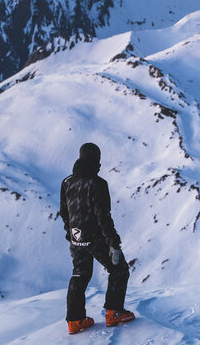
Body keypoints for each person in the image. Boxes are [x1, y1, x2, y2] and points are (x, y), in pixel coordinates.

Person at [60, 142, 135, 334]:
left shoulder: (67, 182)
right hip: (95, 236)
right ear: (96, 159)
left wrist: (71, 234)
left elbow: (64, 212)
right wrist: (113, 244)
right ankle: (114, 312)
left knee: (79, 274)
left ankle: (75, 320)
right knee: (119, 269)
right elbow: (103, 216)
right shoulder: (98, 183)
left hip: (76, 237)